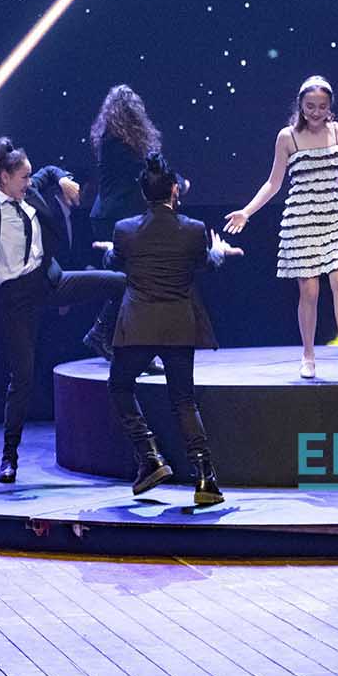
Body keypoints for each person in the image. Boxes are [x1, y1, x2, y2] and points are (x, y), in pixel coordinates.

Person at [0, 137, 125, 483]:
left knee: (120, 283)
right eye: (23, 177)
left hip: (49, 282)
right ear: (4, 177)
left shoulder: (29, 192)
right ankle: (9, 458)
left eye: (30, 176)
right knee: (22, 379)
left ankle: (100, 333)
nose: (29, 182)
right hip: (15, 299)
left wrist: (63, 178)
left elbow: (49, 171)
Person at [97, 154, 241, 503]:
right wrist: (220, 252)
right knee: (183, 400)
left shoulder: (125, 230)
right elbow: (204, 263)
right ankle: (205, 479)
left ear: (143, 193)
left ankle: (149, 455)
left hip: (138, 325)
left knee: (120, 386)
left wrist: (110, 251)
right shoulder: (192, 230)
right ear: (175, 190)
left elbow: (116, 261)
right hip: (178, 325)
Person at [225, 76, 338, 378]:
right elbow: (273, 183)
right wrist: (246, 212)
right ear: (300, 105)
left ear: (330, 106)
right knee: (309, 289)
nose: (316, 112)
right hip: (301, 218)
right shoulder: (287, 137)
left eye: (322, 106)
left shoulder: (337, 131)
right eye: (310, 106)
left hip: (334, 214)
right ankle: (308, 354)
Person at [83, 85, 171, 360]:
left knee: (132, 280)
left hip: (114, 216)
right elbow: (148, 168)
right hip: (116, 218)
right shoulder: (118, 142)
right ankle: (107, 334)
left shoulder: (111, 138)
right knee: (136, 280)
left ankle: (112, 337)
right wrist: (177, 182)